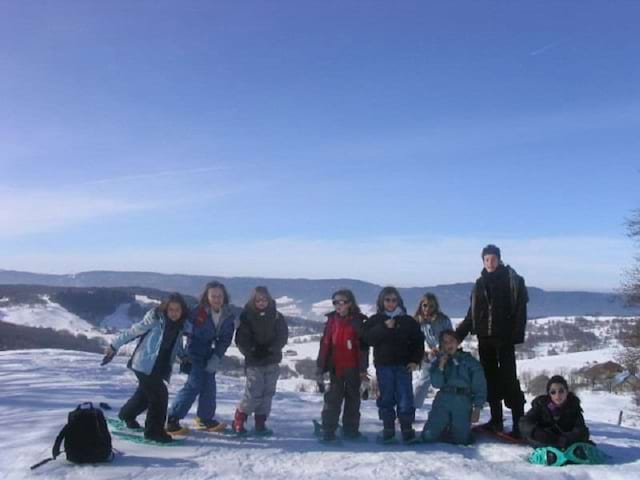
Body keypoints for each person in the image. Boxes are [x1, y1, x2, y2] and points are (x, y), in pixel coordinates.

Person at [456, 244, 528, 437]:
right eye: (486, 259)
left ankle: (518, 425)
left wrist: (516, 335)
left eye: (493, 259)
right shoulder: (479, 284)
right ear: (483, 261)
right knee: (490, 380)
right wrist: (456, 337)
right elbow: (472, 315)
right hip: (484, 340)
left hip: (504, 339)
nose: (490, 262)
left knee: (509, 380)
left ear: (499, 259)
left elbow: (521, 311)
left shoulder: (512, 280)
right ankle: (496, 421)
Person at [105, 292, 190, 443]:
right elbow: (133, 332)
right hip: (144, 364)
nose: (174, 313)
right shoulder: (154, 320)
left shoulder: (180, 326)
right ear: (165, 309)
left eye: (178, 310)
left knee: (144, 396)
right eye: (171, 309)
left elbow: (178, 346)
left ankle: (126, 415)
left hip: (160, 367)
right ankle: (154, 432)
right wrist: (114, 345)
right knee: (160, 395)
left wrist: (184, 358)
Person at [167, 281, 235, 433]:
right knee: (194, 384)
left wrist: (216, 357)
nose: (217, 299)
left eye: (219, 296)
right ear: (207, 297)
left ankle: (205, 419)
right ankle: (172, 418)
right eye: (213, 296)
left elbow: (225, 339)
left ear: (224, 297)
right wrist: (182, 354)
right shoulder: (198, 313)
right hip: (195, 352)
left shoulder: (227, 315)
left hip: (210, 353)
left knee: (209, 385)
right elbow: (182, 330)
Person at [364, 286, 425, 443]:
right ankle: (388, 428)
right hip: (384, 366)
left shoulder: (408, 321)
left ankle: (406, 428)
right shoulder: (376, 320)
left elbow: (418, 342)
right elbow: (368, 339)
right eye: (387, 300)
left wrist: (415, 360)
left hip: (404, 366)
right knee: (386, 397)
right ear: (381, 301)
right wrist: (384, 328)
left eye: (394, 300)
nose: (391, 303)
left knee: (405, 398)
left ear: (399, 301)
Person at [233, 286, 288, 435]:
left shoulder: (276, 316)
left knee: (267, 394)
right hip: (254, 362)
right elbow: (241, 339)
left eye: (264, 300)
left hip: (271, 360)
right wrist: (252, 351)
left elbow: (282, 336)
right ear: (253, 301)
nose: (262, 303)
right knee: (253, 393)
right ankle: (239, 419)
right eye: (258, 300)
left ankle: (260, 422)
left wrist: (272, 349)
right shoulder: (247, 317)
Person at [315, 289, 369, 442]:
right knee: (333, 399)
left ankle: (350, 430)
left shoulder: (358, 321)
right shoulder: (332, 321)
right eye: (335, 302)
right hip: (336, 368)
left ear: (350, 303)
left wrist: (363, 370)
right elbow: (325, 344)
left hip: (353, 368)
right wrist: (320, 366)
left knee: (353, 400)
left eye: (342, 302)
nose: (338, 305)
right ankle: (328, 430)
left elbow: (363, 348)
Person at [420, 330, 486, 445]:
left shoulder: (469, 362)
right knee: (428, 436)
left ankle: (459, 429)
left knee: (461, 441)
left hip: (463, 401)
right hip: (443, 399)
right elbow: (436, 384)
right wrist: (441, 366)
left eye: (451, 341)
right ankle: (442, 426)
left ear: (457, 342)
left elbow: (480, 386)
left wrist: (477, 408)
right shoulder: (439, 361)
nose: (449, 345)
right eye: (445, 342)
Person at [519, 375, 590, 449]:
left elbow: (582, 431)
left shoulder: (573, 407)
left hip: (567, 445)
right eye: (553, 392)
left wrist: (567, 439)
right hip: (544, 443)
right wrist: (536, 432)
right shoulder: (541, 406)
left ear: (567, 392)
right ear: (549, 394)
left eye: (561, 391)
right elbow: (524, 422)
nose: (557, 395)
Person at [412, 293, 453, 409]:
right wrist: (424, 351)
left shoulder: (443, 320)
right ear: (420, 306)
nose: (427, 309)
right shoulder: (417, 322)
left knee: (448, 385)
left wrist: (442, 348)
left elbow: (451, 337)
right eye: (425, 305)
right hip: (428, 358)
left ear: (435, 307)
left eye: (431, 306)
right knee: (422, 384)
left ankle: (451, 413)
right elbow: (414, 341)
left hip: (445, 357)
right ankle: (410, 412)